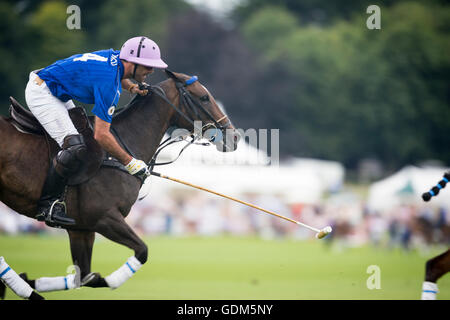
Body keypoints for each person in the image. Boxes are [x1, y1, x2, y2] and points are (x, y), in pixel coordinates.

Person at [24, 36, 168, 227]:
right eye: (147, 66)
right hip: (43, 92)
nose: (151, 70)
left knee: (85, 145)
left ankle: (74, 198)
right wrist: (130, 162)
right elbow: (101, 135)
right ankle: (47, 205)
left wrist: (131, 86)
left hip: (55, 90)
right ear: (132, 63)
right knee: (75, 147)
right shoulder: (108, 85)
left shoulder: (116, 59)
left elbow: (120, 75)